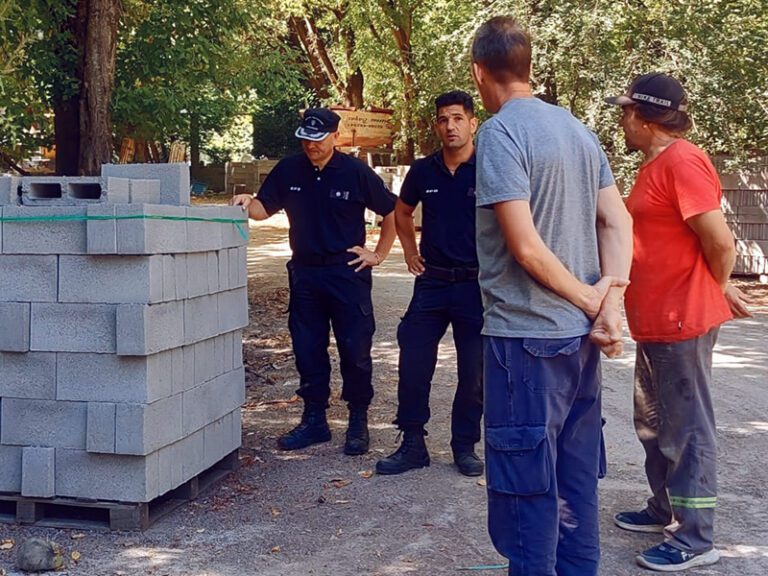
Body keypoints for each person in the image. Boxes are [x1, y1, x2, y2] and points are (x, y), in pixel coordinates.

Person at [470, 17, 633, 576]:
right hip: (580, 348)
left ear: (479, 72)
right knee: (575, 486)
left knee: (528, 503)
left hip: (525, 343)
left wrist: (597, 302)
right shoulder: (577, 130)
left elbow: (526, 249)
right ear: (530, 66)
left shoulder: (500, 133)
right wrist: (609, 300)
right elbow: (616, 220)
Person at [606, 73, 752, 572]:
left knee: (687, 431)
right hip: (656, 322)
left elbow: (720, 241)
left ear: (647, 118)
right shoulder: (655, 164)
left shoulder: (684, 161)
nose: (621, 119)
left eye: (626, 111)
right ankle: (663, 508)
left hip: (682, 321)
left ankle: (696, 538)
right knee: (652, 425)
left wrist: (715, 285)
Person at [231, 108, 397, 456]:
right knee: (308, 349)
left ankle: (357, 421)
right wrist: (249, 202)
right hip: (305, 273)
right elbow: (264, 209)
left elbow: (393, 211)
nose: (311, 145)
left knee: (355, 349)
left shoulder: (354, 172)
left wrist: (378, 254)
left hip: (346, 273)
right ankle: (314, 420)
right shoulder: (289, 169)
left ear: (335, 136)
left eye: (318, 139)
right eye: (306, 138)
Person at [375, 90, 484, 478]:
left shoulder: (489, 167)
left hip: (476, 286)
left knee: (475, 372)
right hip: (433, 283)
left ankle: (464, 445)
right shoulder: (424, 171)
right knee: (414, 362)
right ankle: (412, 444)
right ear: (436, 125)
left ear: (473, 123)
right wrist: (408, 250)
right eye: (443, 119)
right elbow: (401, 212)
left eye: (458, 118)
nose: (450, 126)